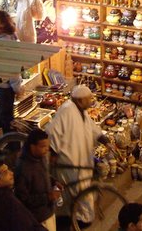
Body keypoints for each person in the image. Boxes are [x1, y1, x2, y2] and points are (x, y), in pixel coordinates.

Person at [45, 85, 111, 228]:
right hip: (69, 162)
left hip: (82, 162)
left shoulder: (82, 111)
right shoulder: (67, 110)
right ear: (80, 100)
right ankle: (78, 222)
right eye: (88, 99)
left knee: (80, 194)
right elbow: (53, 131)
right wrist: (54, 155)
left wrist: (104, 140)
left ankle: (75, 221)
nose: (91, 102)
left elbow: (92, 128)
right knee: (79, 195)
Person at [15, 129, 61, 231]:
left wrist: (53, 181)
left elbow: (44, 174)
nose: (46, 150)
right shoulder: (23, 169)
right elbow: (23, 199)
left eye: (47, 146)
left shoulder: (41, 157)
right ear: (32, 146)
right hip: (38, 219)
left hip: (49, 212)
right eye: (43, 146)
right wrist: (48, 197)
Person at [0, 159, 45, 231]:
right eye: (5, 172)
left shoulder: (0, 196)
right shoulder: (4, 201)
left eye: (9, 169)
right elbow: (24, 225)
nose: (11, 173)